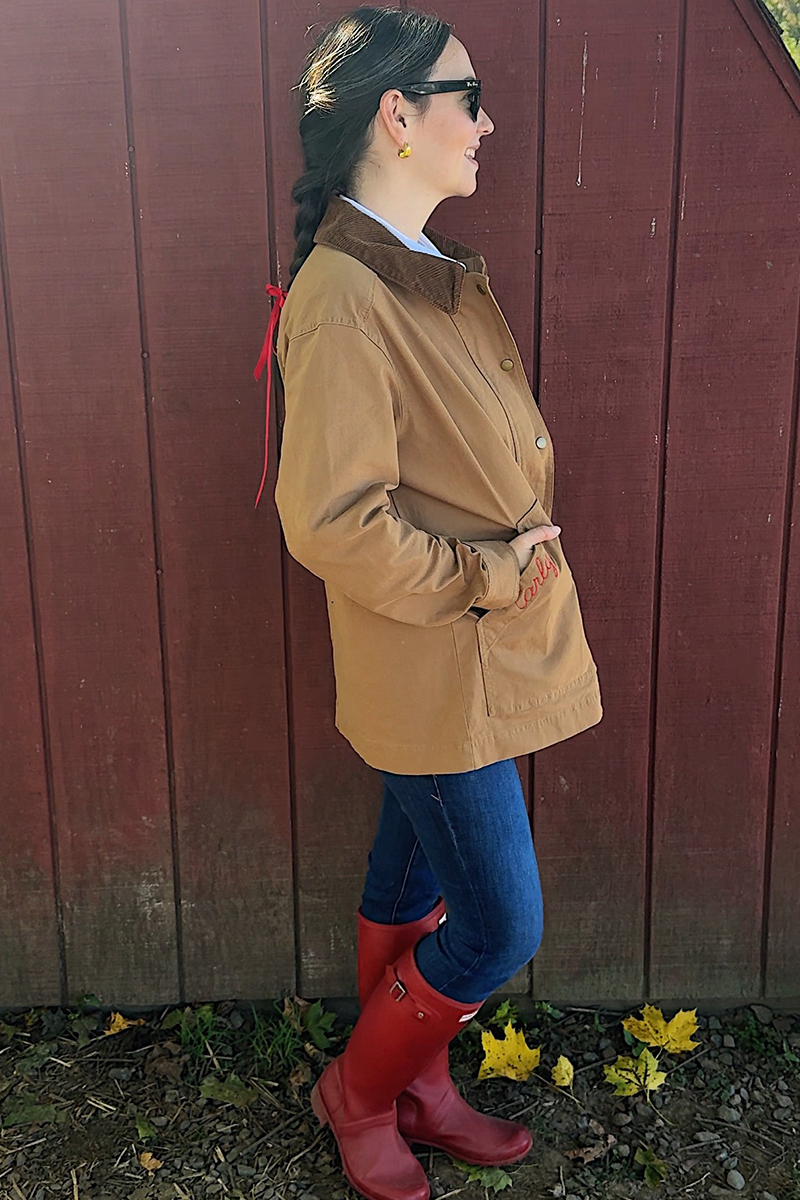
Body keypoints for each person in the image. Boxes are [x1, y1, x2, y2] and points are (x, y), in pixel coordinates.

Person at [257, 7, 603, 1199]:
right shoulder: (346, 296)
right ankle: (359, 1089)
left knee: (413, 881)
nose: (486, 122)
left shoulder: (408, 274)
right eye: (469, 98)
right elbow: (331, 523)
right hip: (441, 652)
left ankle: (416, 1082)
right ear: (395, 116)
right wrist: (491, 577)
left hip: (466, 658)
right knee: (498, 923)